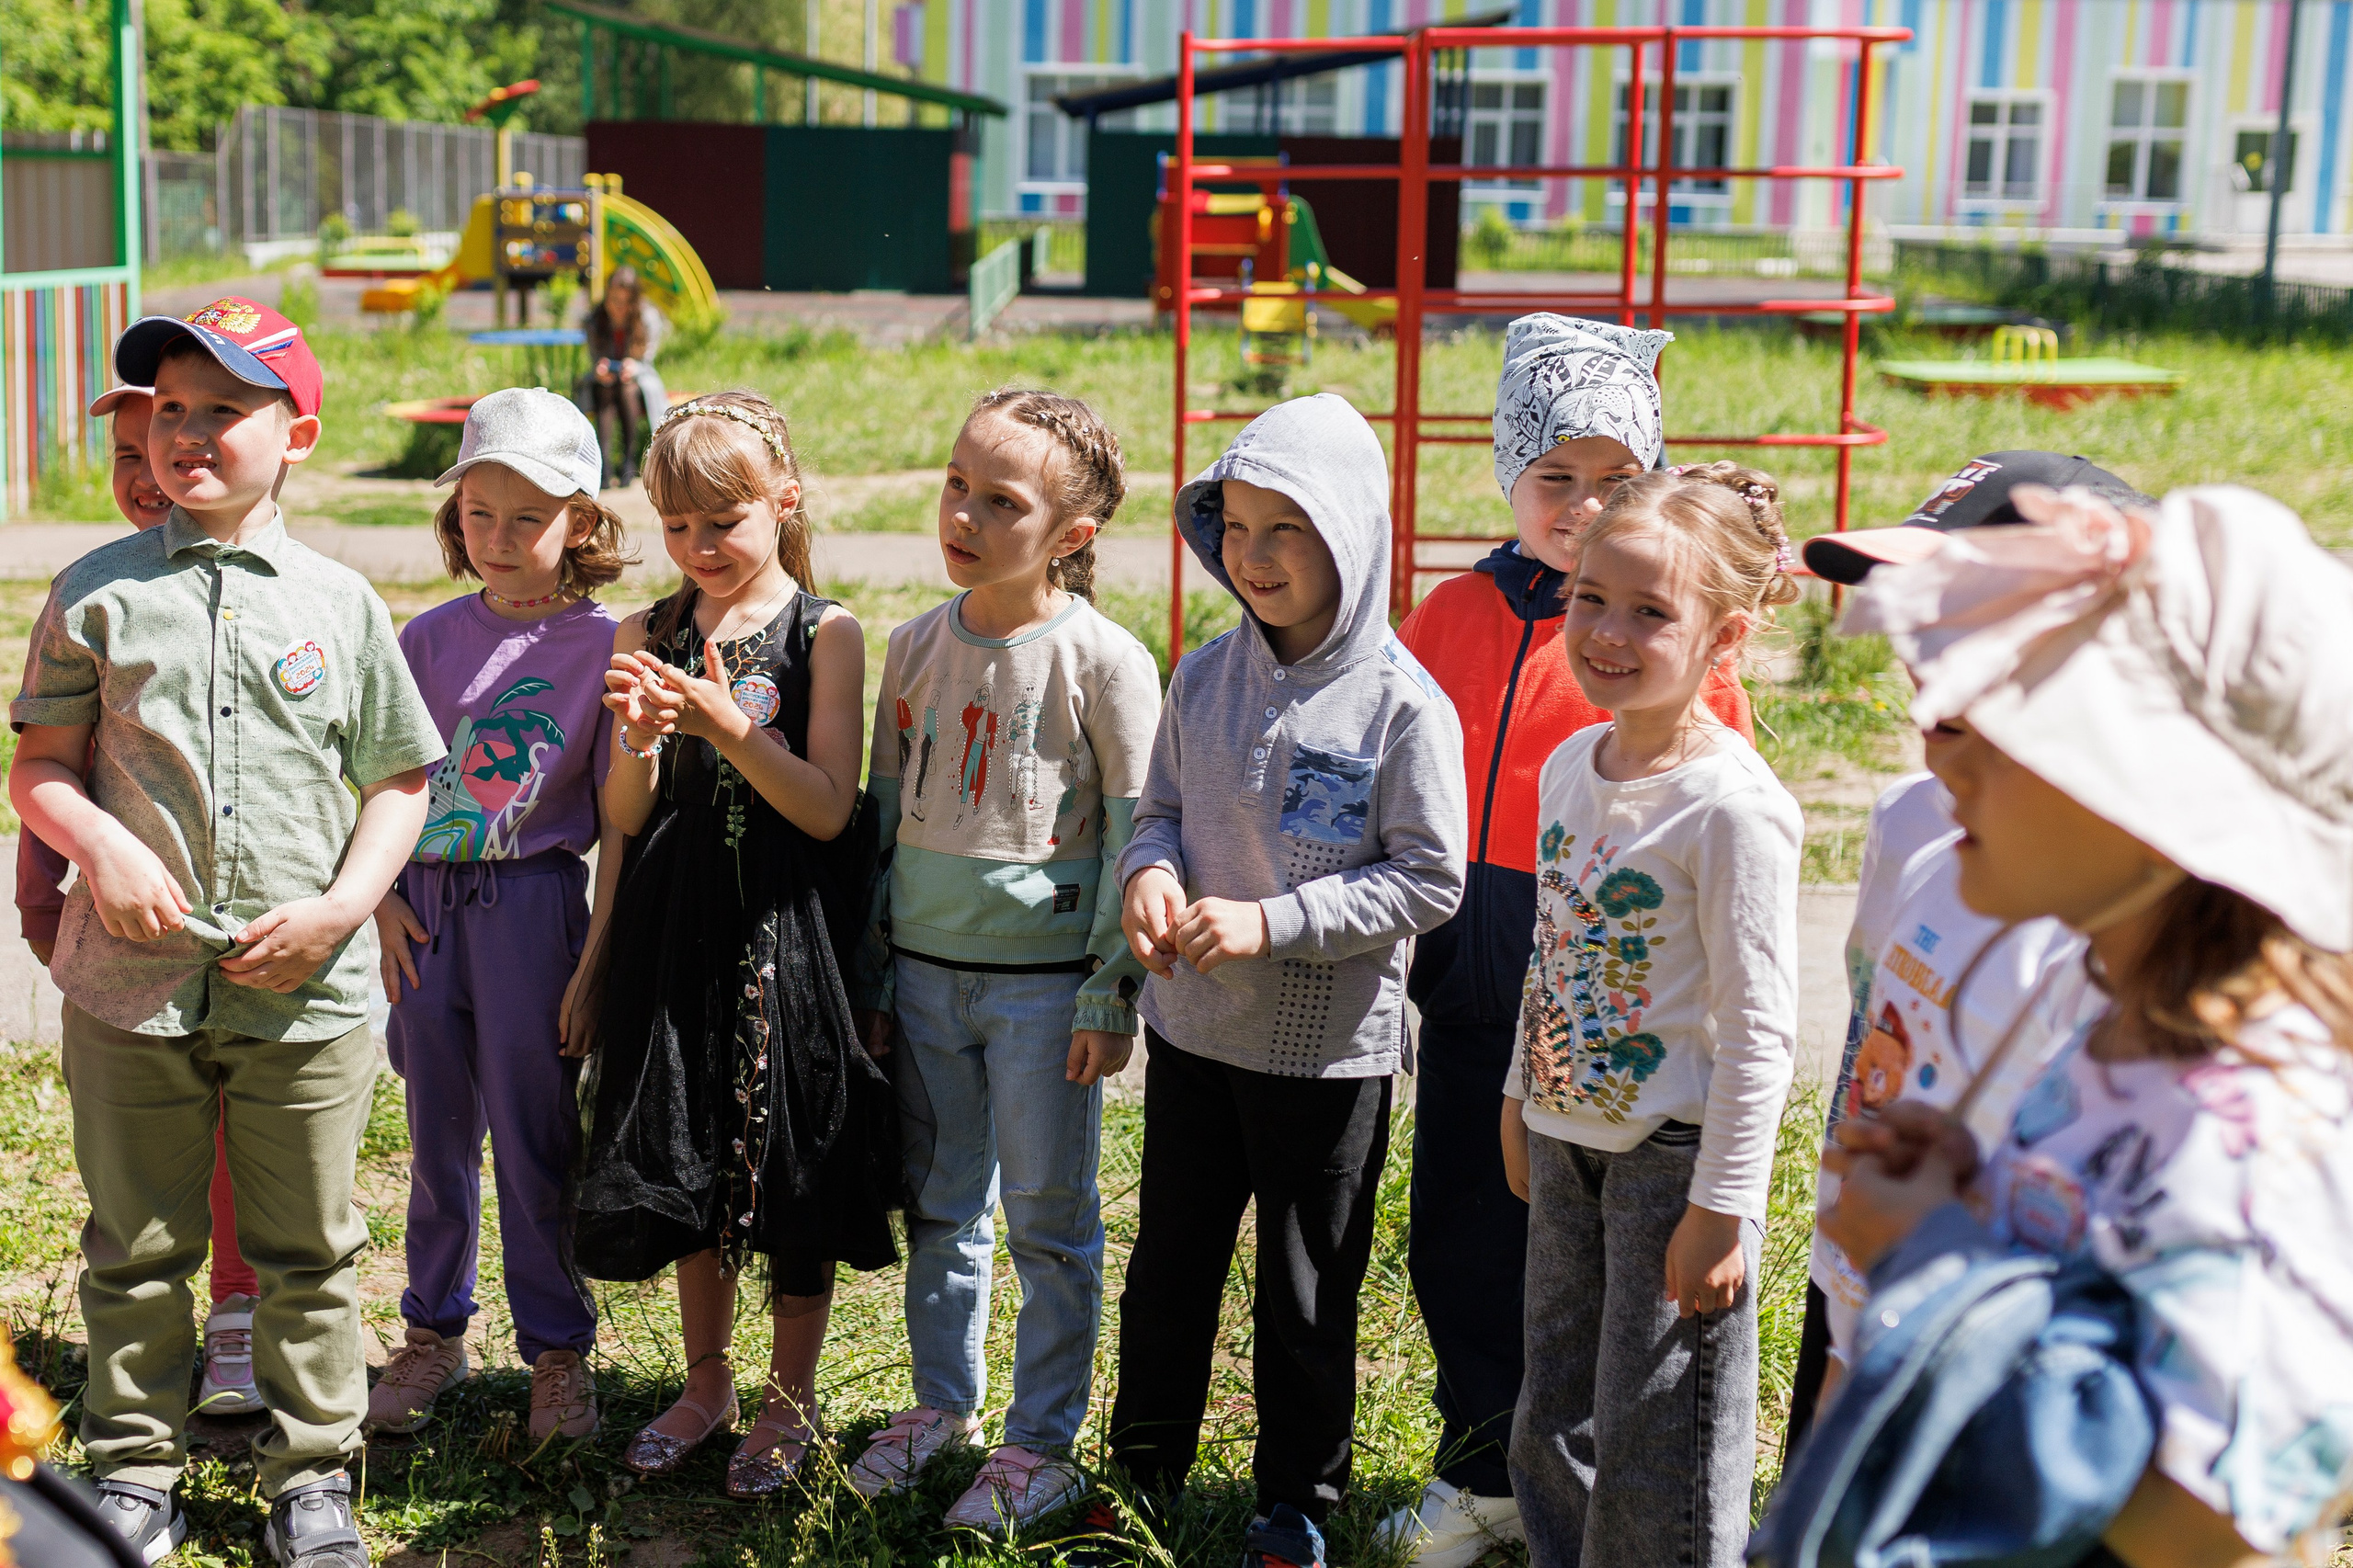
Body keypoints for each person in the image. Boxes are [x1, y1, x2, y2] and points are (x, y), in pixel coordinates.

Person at [1824, 483, 2353, 1566]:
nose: (1947, 746)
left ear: (2166, 807)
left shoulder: (2239, 1126)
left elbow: (2210, 1525)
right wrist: (1977, 1197)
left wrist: (1930, 1260)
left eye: (2029, 728)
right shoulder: (2122, 1032)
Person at [9, 297, 444, 1568]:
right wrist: (101, 846)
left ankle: (312, 1478)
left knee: (308, 1248)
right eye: (170, 408)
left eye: (224, 408)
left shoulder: (343, 603)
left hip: (306, 995)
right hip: (128, 989)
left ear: (296, 433)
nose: (187, 432)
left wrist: (342, 909)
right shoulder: (95, 592)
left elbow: (399, 779)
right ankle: (135, 1469)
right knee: (134, 1245)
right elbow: (40, 764)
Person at [1383, 314, 1753, 1567]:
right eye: (1556, 475)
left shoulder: (1657, 629)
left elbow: (1715, 797)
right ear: (1508, 471)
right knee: (1461, 1239)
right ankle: (1483, 1467)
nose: (1584, 505)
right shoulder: (1449, 613)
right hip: (1471, 996)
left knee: (1594, 1274)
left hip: (1616, 1011)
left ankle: (1606, 1488)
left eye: (1617, 478)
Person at [1109, 394, 1468, 1568]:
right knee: (1168, 1267)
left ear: (1350, 535)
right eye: (1235, 524)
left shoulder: (1403, 704)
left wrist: (1275, 921)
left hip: (1325, 1058)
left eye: (1287, 528)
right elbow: (1157, 813)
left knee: (1305, 1292)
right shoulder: (1203, 676)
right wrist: (1149, 873)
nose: (1252, 555)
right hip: (1192, 1036)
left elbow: (1429, 878)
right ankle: (1140, 1471)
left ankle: (1297, 1500)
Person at [1782, 451, 2154, 1455]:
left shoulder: (2131, 939)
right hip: (1860, 1286)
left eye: (1961, 612)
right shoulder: (1914, 826)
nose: (1919, 644)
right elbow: (1879, 1046)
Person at [575, 392, 898, 1502]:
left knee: (790, 1167)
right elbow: (625, 814)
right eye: (676, 525)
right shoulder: (642, 632)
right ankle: (705, 1380)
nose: (699, 546)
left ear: (784, 501)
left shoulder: (826, 632)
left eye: (723, 520)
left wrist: (727, 726)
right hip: (674, 930)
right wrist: (638, 738)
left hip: (784, 935)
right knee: (689, 1150)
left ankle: (787, 1397)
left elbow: (826, 807)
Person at [846, 390, 1158, 1528]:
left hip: (1046, 999)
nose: (963, 515)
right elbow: (885, 824)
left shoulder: (1107, 662)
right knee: (941, 1208)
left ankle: (1041, 1443)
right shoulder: (913, 646)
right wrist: (877, 976)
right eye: (955, 485)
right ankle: (943, 1407)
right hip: (924, 985)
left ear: (1071, 534)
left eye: (1001, 501)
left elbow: (1135, 839)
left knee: (1048, 1221)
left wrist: (1108, 989)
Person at [1499, 465, 1802, 1568]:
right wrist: (1518, 1095)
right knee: (1552, 1417)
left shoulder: (1732, 807)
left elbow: (1760, 1027)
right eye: (1590, 597)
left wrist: (1724, 1204)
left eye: (1649, 611)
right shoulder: (1569, 765)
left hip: (1670, 1164)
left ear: (1723, 636)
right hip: (1564, 1142)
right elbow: (1555, 940)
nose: (1607, 632)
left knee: (1658, 1437)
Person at [362, 388, 632, 1445]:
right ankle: (432, 1330)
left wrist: (594, 959)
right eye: (480, 512)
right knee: (437, 1135)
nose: (499, 536)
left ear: (582, 522)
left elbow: (620, 820)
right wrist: (382, 898)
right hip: (425, 909)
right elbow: (379, 777)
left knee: (535, 1137)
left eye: (529, 516)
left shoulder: (607, 644)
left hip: (534, 905)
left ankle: (558, 1350)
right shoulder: (424, 637)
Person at [17, 384, 270, 1427]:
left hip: (249, 949)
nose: (148, 466)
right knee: (143, 1153)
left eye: (161, 437)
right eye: (129, 449)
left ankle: (240, 1313)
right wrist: (39, 901)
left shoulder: (281, 595)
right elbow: (52, 765)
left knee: (243, 1142)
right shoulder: (93, 595)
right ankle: (143, 1365)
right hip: (123, 946)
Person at [578, 267, 668, 490]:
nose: (618, 308)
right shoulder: (595, 319)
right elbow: (594, 359)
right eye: (614, 300)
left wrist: (634, 367)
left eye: (625, 302)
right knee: (606, 389)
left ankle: (628, 461)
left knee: (627, 389)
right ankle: (604, 465)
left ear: (634, 302)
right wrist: (600, 369)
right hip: (604, 385)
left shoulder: (647, 318)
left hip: (639, 382)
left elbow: (647, 361)